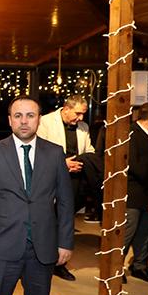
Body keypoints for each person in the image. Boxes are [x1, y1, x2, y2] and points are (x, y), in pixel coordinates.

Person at [0, 95, 74, 295]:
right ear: (10, 120)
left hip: (43, 248)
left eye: (30, 115)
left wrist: (65, 242)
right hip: (4, 247)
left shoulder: (55, 153)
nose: (24, 121)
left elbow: (66, 202)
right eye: (18, 116)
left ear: (39, 119)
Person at [37, 94, 96, 281]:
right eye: (78, 113)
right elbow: (39, 152)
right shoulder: (45, 122)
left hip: (74, 180)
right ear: (66, 108)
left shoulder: (83, 127)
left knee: (65, 222)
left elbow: (90, 150)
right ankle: (41, 261)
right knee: (47, 221)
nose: (81, 118)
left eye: (83, 114)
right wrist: (63, 164)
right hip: (50, 179)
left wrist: (81, 162)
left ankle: (60, 264)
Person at [125, 103, 148, 283]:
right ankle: (115, 268)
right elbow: (133, 164)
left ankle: (139, 266)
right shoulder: (132, 133)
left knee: (144, 233)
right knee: (127, 232)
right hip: (133, 192)